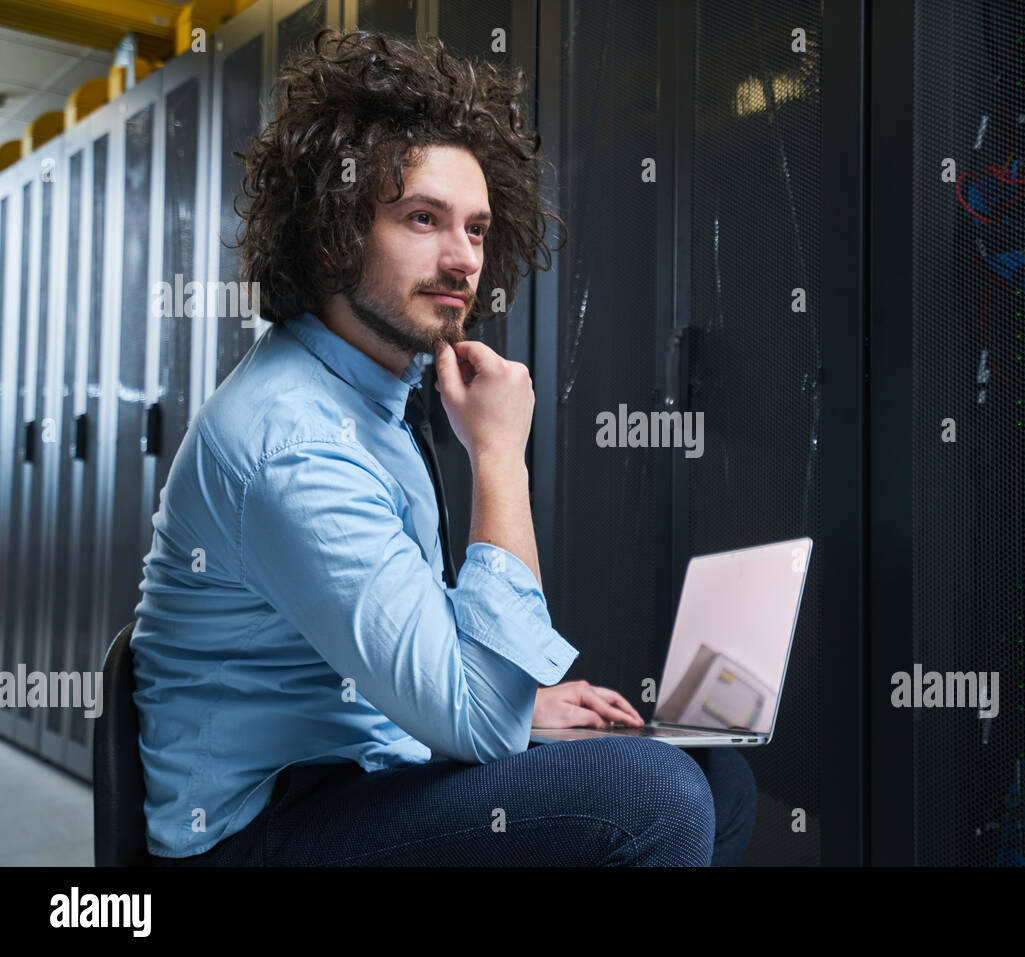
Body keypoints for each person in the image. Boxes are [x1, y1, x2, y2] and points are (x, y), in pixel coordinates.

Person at [130, 28, 754, 867]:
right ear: (331, 235)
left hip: (362, 770)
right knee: (653, 795)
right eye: (423, 220)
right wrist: (500, 455)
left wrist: (522, 706)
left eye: (477, 228)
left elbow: (422, 662)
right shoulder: (294, 441)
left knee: (713, 774)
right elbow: (473, 717)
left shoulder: (375, 402)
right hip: (256, 831)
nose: (463, 259)